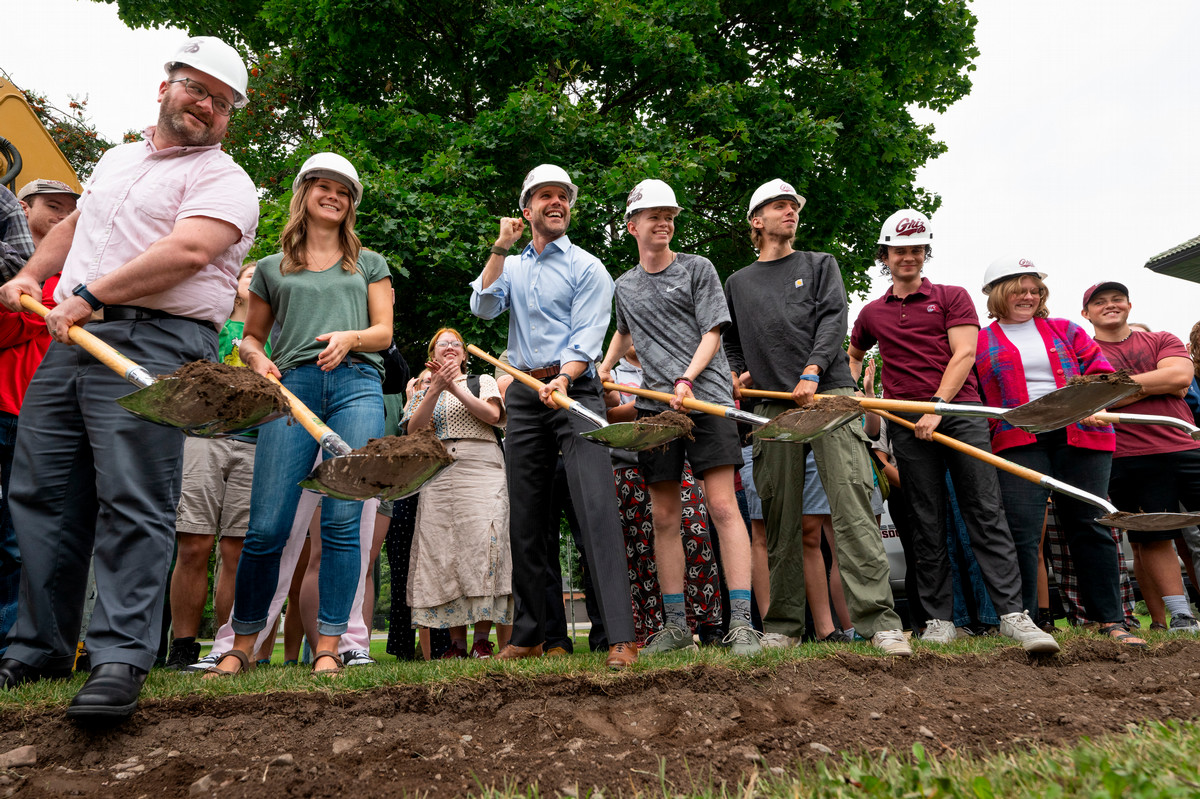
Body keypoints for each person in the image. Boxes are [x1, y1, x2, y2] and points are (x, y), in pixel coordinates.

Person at [0, 36, 259, 721]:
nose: (205, 105)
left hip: (158, 339)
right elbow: (76, 227)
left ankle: (119, 657)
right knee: (44, 490)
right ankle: (37, 649)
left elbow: (191, 249)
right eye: (195, 87)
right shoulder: (116, 160)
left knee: (134, 496)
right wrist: (31, 274)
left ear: (229, 115)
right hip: (76, 337)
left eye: (220, 100)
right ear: (165, 85)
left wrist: (89, 293)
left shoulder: (225, 180)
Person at [208, 151, 391, 678]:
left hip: (358, 384)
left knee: (340, 520)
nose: (332, 196)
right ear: (304, 193)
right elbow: (252, 340)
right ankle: (242, 644)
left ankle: (329, 646)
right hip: (292, 392)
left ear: (351, 203)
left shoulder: (368, 263)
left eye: (343, 190)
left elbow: (384, 332)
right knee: (266, 526)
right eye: (323, 187)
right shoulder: (270, 268)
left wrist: (351, 338)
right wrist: (259, 361)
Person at [847, 209, 1057, 654]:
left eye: (917, 249)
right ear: (885, 255)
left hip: (961, 413)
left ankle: (1012, 616)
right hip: (906, 421)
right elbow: (854, 350)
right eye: (900, 250)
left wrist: (937, 408)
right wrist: (854, 388)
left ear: (926, 252)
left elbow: (964, 354)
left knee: (984, 511)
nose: (909, 257)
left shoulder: (951, 296)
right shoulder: (872, 312)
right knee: (926, 520)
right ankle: (940, 620)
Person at [724, 180, 911, 655]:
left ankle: (880, 624)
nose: (790, 212)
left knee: (852, 507)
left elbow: (834, 320)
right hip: (772, 407)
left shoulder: (820, 264)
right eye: (779, 206)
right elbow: (732, 337)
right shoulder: (738, 282)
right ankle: (784, 627)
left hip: (828, 396)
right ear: (756, 221)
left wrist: (812, 370)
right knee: (780, 514)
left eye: (794, 206)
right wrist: (737, 370)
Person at [470, 164, 638, 668]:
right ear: (527, 209)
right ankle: (532, 633)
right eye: (545, 196)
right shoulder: (512, 266)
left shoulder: (589, 267)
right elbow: (482, 308)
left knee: (595, 509)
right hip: (523, 391)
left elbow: (586, 337)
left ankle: (620, 638)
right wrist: (500, 247)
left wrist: (564, 379)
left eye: (563, 196)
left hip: (576, 389)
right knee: (526, 517)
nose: (557, 203)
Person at [597, 179, 759, 655]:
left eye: (670, 215)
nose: (665, 222)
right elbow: (625, 334)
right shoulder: (623, 285)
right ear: (633, 226)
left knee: (723, 508)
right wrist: (604, 369)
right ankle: (673, 627)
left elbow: (712, 332)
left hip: (704, 401)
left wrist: (687, 379)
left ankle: (743, 624)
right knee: (663, 515)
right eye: (654, 216)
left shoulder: (698, 269)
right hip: (654, 412)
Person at [973, 259, 1143, 646]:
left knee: (1092, 524)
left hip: (1082, 436)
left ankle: (1110, 621)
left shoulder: (1066, 329)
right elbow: (977, 394)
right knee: (1022, 532)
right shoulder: (982, 340)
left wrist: (1099, 401)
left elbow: (1101, 374)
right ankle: (1026, 623)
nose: (1029, 296)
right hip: (1020, 440)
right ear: (999, 293)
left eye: (1035, 289)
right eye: (1020, 288)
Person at [1081, 281, 1200, 633]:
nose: (1110, 305)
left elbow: (1180, 376)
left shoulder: (1162, 338)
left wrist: (1115, 390)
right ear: (1086, 314)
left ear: (1130, 305)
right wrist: (1155, 384)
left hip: (1187, 445)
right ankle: (1181, 616)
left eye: (1117, 299)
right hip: (1128, 455)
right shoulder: (1083, 350)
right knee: (1153, 536)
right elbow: (1092, 400)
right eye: (1100, 302)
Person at [165, 261, 262, 669]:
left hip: (257, 443)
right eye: (249, 275)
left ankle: (227, 647)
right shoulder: (215, 323)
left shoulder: (276, 333)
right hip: (204, 438)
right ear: (235, 284)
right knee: (194, 543)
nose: (256, 282)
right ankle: (183, 645)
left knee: (235, 549)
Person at [402, 327, 513, 659]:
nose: (449, 348)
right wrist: (435, 388)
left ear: (464, 355)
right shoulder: (424, 389)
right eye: (442, 344)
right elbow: (414, 430)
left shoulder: (483, 382)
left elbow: (493, 415)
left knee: (483, 546)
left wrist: (454, 386)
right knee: (446, 552)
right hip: (438, 472)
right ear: (433, 355)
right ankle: (457, 644)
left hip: (482, 468)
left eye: (456, 344)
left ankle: (482, 639)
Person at [0, 185, 34, 284]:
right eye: (53, 206)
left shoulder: (4, 197)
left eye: (71, 211)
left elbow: (26, 274)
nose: (63, 216)